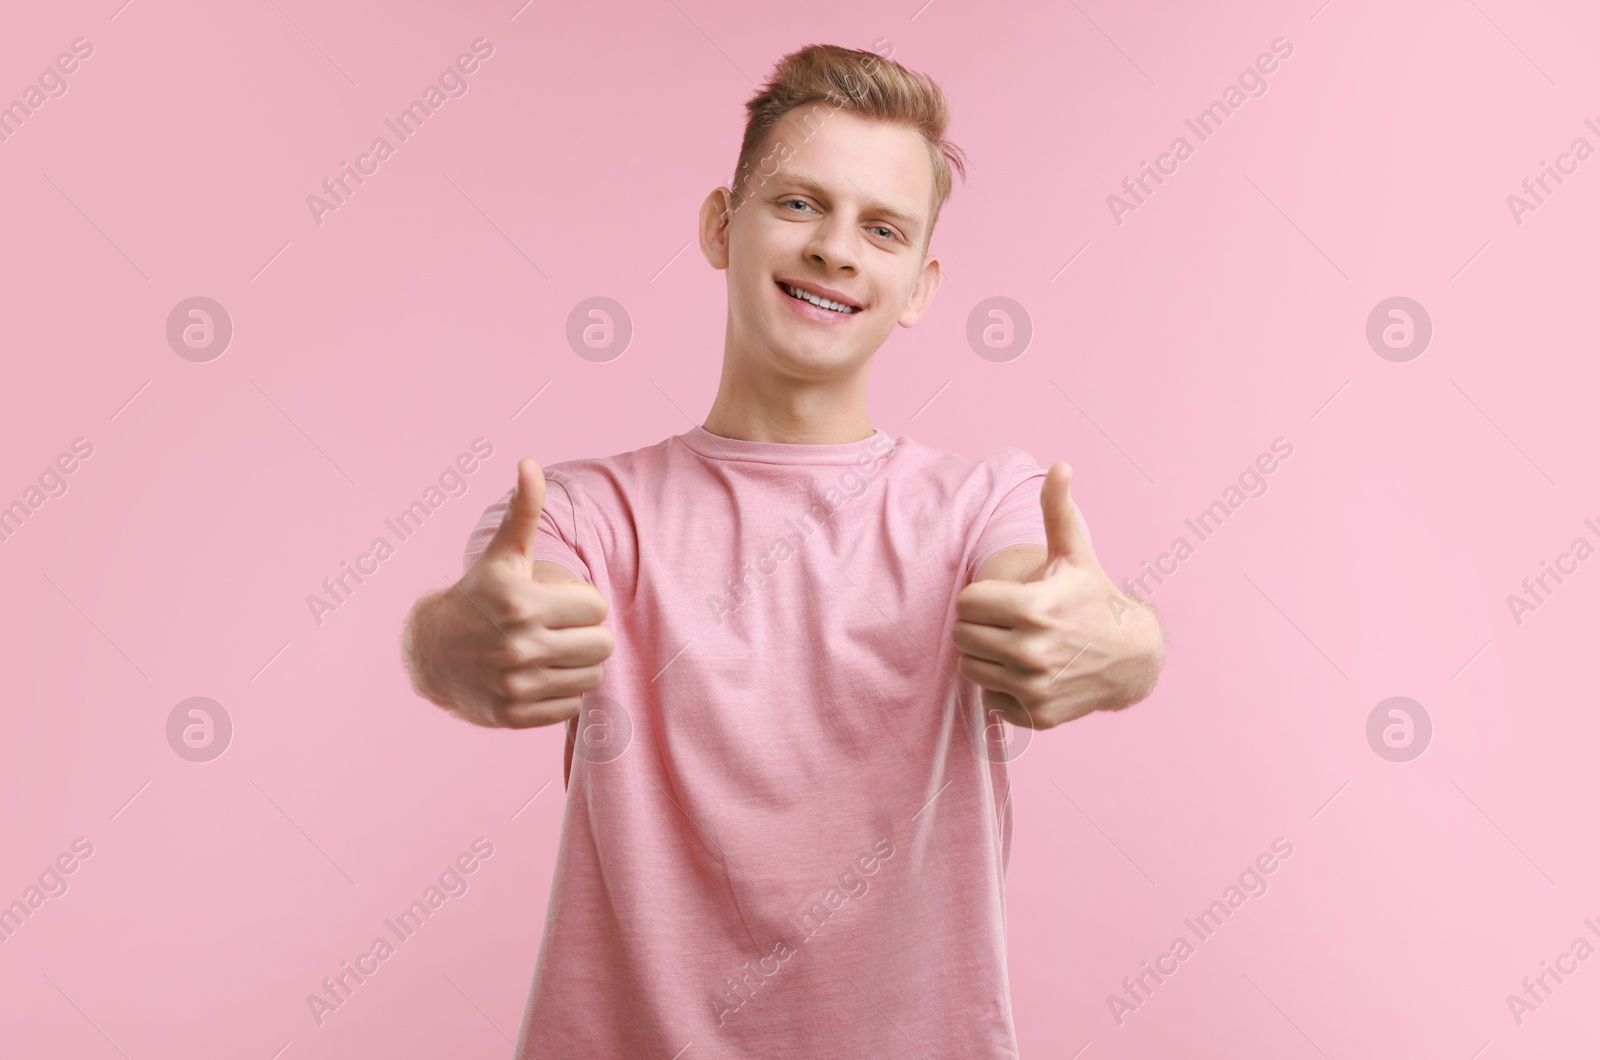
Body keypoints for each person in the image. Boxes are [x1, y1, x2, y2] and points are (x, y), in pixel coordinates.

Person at [401, 42, 1165, 1058]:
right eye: (800, 204)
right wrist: (448, 641)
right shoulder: (590, 512)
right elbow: (488, 615)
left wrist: (1116, 642)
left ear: (920, 283)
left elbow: (1058, 599)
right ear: (722, 226)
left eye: (880, 228)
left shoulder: (982, 506)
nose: (837, 250)